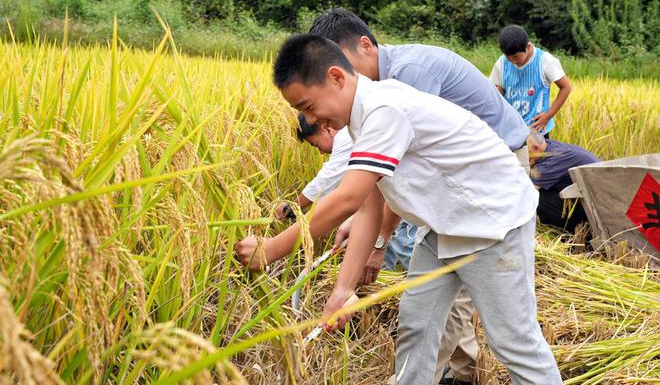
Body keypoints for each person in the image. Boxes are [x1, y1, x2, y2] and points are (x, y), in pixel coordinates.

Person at [236, 34, 562, 385]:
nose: (312, 119)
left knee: (514, 343)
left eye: (309, 107)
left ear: (336, 77)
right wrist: (343, 291)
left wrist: (271, 250)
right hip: (444, 229)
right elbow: (367, 210)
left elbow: (346, 198)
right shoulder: (360, 120)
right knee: (417, 326)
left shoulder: (383, 110)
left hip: (493, 225)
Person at [308, 8, 532, 383]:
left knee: (493, 321)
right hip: (449, 189)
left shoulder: (404, 81)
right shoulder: (372, 99)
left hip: (489, 184)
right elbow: (379, 185)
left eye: (341, 72)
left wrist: (379, 240)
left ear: (365, 46)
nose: (339, 84)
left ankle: (460, 374)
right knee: (423, 312)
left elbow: (398, 170)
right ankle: (453, 373)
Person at [490, 25, 572, 137]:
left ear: (528, 47)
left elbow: (566, 87)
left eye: (516, 57)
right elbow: (498, 92)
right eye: (509, 59)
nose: (513, 62)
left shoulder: (544, 61)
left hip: (538, 130)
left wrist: (548, 116)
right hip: (512, 131)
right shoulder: (502, 63)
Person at [274, 113, 353, 220]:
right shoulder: (348, 133)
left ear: (327, 130)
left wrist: (291, 208)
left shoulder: (345, 139)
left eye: (316, 145)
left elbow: (326, 179)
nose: (321, 152)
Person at [527, 131, 600, 233]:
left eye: (525, 151)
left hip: (595, 204)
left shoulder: (551, 163)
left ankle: (573, 234)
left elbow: (525, 189)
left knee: (539, 200)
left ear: (535, 148)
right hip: (589, 193)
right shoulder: (549, 145)